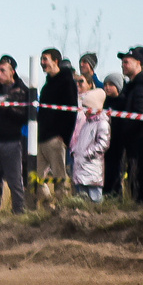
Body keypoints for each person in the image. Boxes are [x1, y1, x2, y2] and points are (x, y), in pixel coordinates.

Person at [113, 48, 143, 203]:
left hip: (142, 138)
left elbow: (141, 115)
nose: (123, 65)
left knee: (142, 174)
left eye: (127, 62)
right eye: (122, 62)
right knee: (135, 175)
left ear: (138, 63)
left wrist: (128, 132)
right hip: (134, 139)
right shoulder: (132, 86)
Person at [34, 48, 76, 204]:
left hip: (56, 139)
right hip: (42, 138)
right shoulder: (46, 86)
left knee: (60, 179)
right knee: (36, 179)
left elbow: (71, 112)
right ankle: (46, 208)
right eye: (41, 60)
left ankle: (62, 208)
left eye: (45, 59)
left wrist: (64, 137)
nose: (42, 63)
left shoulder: (67, 82)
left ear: (55, 61)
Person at [69, 83, 108, 202]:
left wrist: (87, 153)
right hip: (82, 168)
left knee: (95, 200)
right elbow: (81, 142)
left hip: (92, 169)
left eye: (86, 107)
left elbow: (103, 144)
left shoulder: (102, 123)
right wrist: (75, 151)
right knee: (83, 199)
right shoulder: (86, 124)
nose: (84, 110)